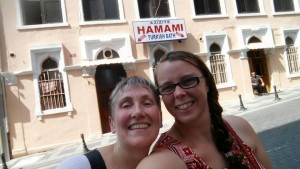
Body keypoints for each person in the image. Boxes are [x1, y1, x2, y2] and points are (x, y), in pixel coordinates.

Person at [137, 51, 273, 169]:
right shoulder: (161, 162)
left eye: (188, 81)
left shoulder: (239, 127)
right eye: (167, 87)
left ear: (207, 83)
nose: (178, 93)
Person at [57, 76, 162, 169]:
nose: (138, 112)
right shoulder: (78, 166)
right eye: (126, 105)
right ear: (112, 123)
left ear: (160, 118)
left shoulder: (168, 163)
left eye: (147, 103)